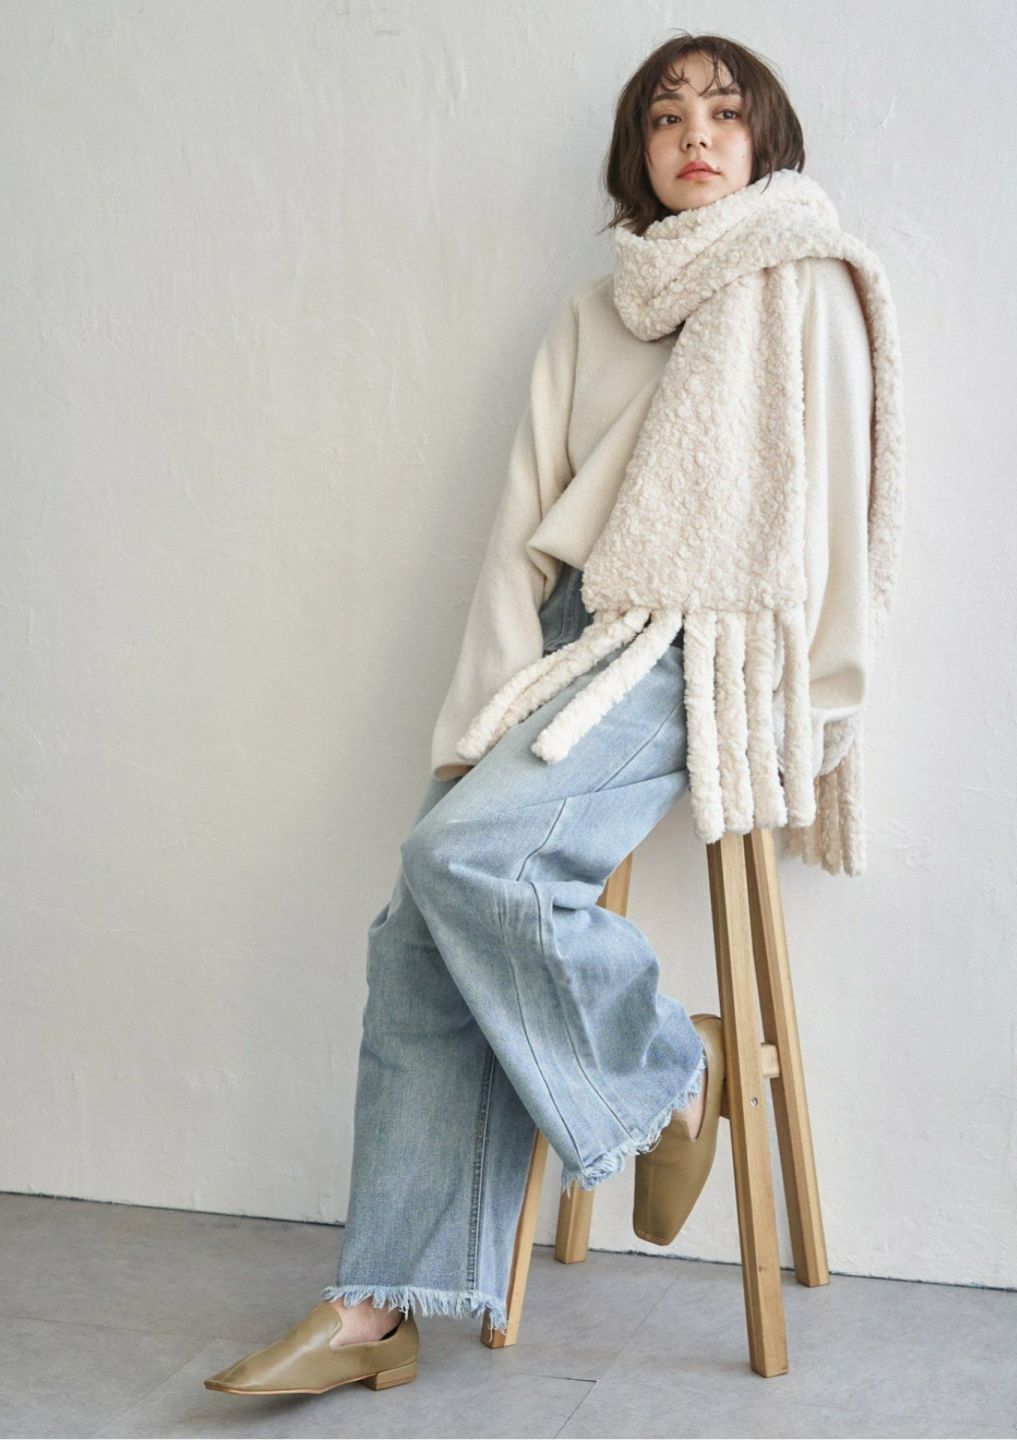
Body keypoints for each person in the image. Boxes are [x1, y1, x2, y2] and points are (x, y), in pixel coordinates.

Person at [204, 31, 882, 1398]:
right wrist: (473, 725)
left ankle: (667, 1073)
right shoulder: (594, 309)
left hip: (707, 644)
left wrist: (814, 710)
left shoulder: (802, 276)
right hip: (579, 638)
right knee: (419, 919)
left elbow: (834, 517)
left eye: (725, 113)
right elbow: (523, 528)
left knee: (466, 862)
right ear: (637, 153)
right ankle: (376, 1310)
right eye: (667, 119)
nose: (697, 136)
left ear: (766, 140)